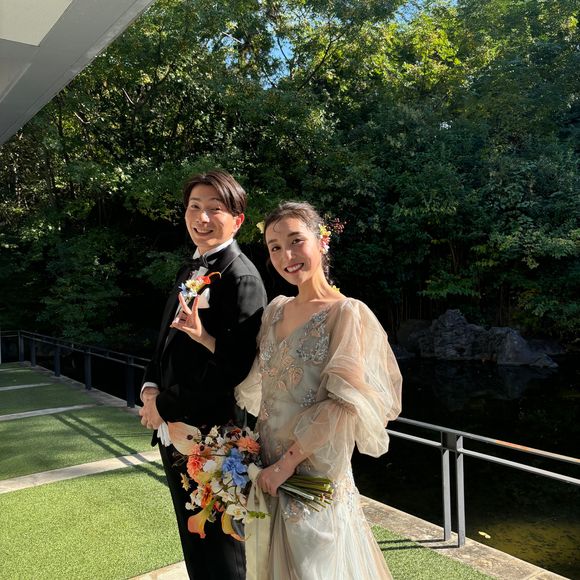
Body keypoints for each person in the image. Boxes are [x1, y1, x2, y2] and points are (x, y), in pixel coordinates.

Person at [236, 201, 402, 579]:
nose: (287, 256)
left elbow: (343, 404)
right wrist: (201, 335)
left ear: (321, 240)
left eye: (296, 241)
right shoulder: (275, 310)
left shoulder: (346, 313)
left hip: (310, 473)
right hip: (267, 466)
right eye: (275, 247)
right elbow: (258, 378)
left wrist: (287, 464)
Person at [139, 170, 267, 579]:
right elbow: (165, 337)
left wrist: (164, 405)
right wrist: (149, 388)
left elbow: (232, 367)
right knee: (195, 539)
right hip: (174, 428)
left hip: (215, 437)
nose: (202, 217)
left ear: (238, 220)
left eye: (215, 208)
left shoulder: (241, 277)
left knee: (222, 548)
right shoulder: (190, 268)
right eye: (195, 207)